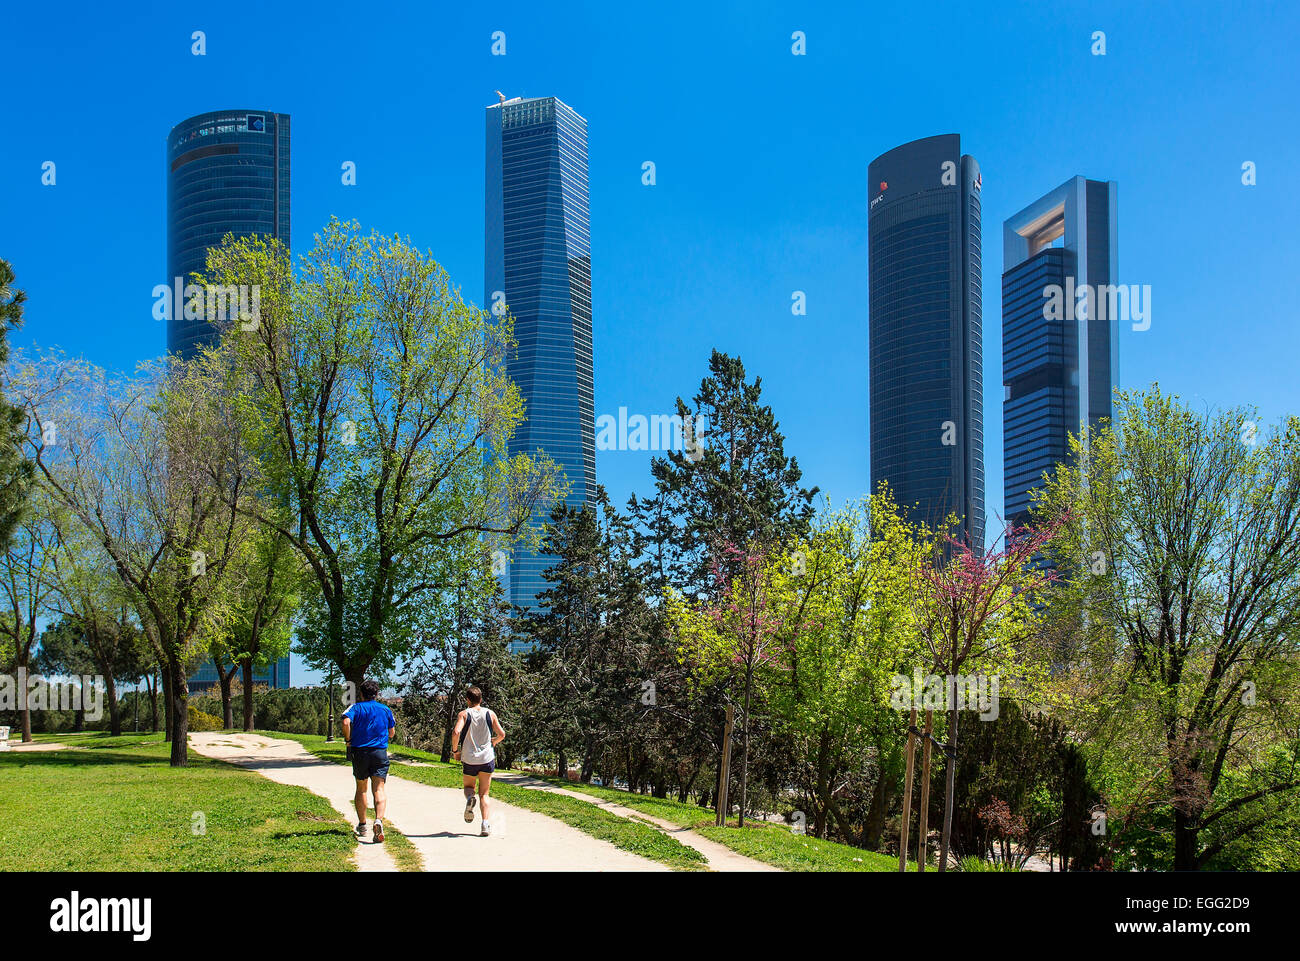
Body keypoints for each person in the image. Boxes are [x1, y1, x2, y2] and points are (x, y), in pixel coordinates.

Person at [342, 679, 396, 843]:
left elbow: (345, 721)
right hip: (379, 752)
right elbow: (392, 733)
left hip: (360, 752)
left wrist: (348, 739)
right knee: (379, 788)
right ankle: (378, 820)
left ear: (361, 694)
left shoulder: (356, 708)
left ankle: (363, 825)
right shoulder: (385, 709)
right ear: (377, 694)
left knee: (362, 788)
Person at [451, 686, 505, 836]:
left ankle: (469, 798)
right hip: (487, 758)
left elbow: (456, 732)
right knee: (485, 793)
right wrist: (494, 741)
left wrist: (455, 751)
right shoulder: (490, 713)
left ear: (467, 700)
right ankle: (485, 824)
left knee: (469, 787)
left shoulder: (464, 714)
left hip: (469, 758)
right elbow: (502, 734)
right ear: (480, 699)